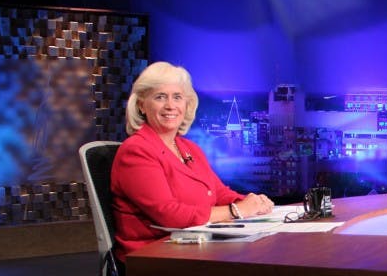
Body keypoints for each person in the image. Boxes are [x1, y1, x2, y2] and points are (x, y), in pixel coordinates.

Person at [111, 62, 274, 261]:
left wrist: (253, 202)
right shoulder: (136, 151)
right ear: (141, 105)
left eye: (177, 97)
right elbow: (169, 215)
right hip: (154, 258)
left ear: (187, 105)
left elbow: (218, 193)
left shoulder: (189, 148)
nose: (170, 105)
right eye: (160, 97)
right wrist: (236, 210)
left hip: (195, 248)